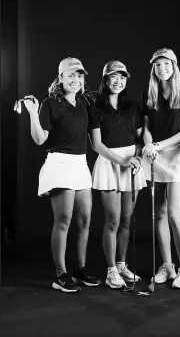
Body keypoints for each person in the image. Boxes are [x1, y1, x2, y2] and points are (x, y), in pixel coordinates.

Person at [23, 57, 102, 293]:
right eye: (71, 75)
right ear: (61, 78)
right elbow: (39, 139)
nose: (76, 80)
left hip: (80, 164)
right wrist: (32, 113)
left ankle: (80, 270)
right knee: (64, 219)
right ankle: (61, 275)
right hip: (59, 163)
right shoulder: (50, 103)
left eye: (79, 75)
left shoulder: (85, 102)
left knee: (85, 220)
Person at [141, 48, 180, 289]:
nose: (162, 68)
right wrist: (148, 146)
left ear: (174, 66)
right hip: (154, 155)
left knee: (175, 215)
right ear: (153, 68)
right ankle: (167, 265)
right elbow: (145, 128)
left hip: (175, 155)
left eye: (166, 64)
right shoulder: (148, 94)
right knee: (159, 215)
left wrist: (157, 145)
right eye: (157, 64)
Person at [89, 60, 147, 289]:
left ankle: (121, 265)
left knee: (126, 220)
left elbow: (142, 138)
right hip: (109, 164)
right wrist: (122, 161)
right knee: (112, 220)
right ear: (105, 79)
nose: (118, 81)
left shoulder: (132, 106)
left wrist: (139, 157)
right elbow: (96, 144)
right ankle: (110, 270)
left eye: (122, 77)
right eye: (113, 76)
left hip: (131, 165)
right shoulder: (95, 108)